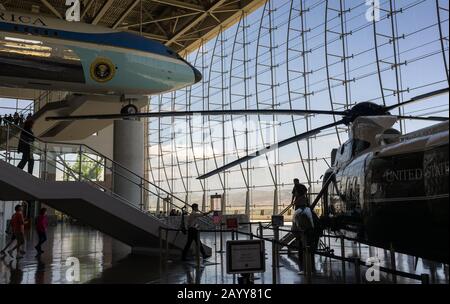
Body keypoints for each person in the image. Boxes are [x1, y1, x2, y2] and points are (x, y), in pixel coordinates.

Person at [292, 201, 316, 275]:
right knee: (310, 252)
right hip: (310, 234)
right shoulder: (309, 211)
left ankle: (303, 268)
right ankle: (311, 268)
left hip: (302, 234)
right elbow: (312, 224)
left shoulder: (297, 212)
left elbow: (294, 224)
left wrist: (296, 235)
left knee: (302, 251)